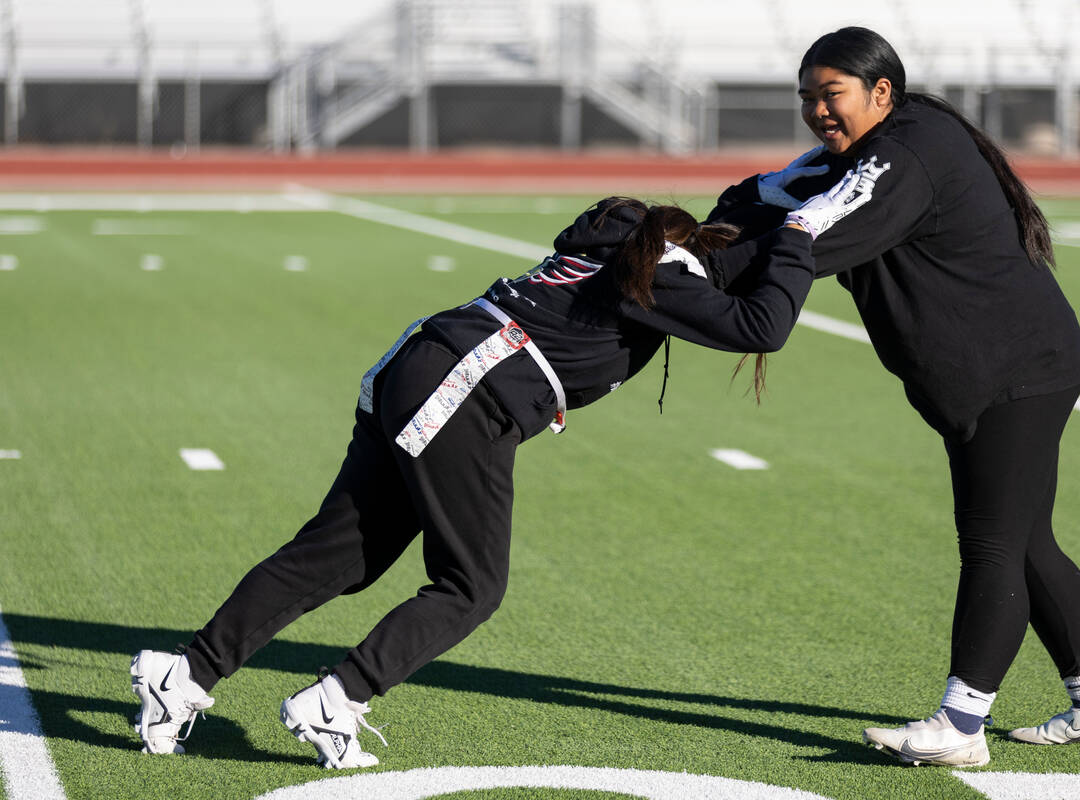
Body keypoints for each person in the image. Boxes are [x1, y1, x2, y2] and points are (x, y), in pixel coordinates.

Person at [129, 184, 874, 768]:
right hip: (468, 387)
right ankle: (337, 697)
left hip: (424, 359)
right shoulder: (667, 271)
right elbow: (762, 326)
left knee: (341, 556)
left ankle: (184, 675)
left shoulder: (623, 236)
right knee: (471, 585)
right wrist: (799, 242)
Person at [707, 26, 1080, 767]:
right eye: (807, 97)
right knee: (1028, 541)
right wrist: (708, 233)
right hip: (1011, 364)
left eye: (830, 94)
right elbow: (775, 194)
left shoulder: (900, 158)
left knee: (994, 543)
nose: (816, 110)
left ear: (881, 92)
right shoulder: (879, 146)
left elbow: (805, 233)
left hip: (1013, 370)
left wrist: (676, 271)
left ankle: (961, 727)